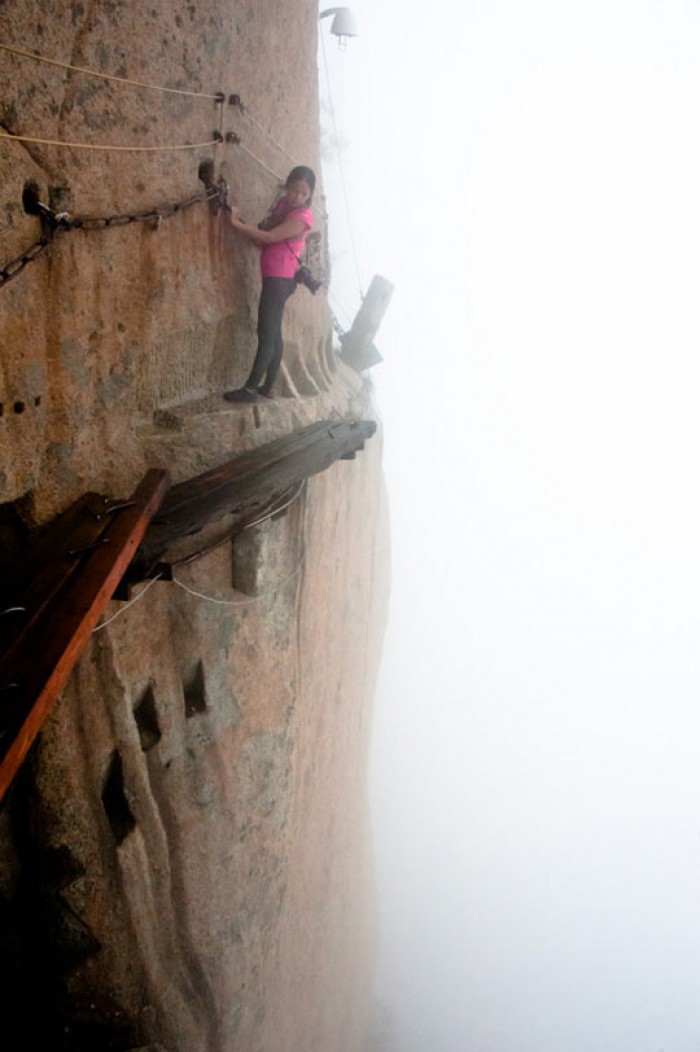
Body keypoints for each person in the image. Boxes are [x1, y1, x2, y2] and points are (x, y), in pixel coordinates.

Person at [224, 165, 316, 402]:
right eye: (294, 190)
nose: (297, 196)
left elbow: (270, 237)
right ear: (287, 186)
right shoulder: (285, 206)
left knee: (266, 333)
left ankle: (251, 389)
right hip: (276, 275)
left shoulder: (301, 217)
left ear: (309, 195)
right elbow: (267, 230)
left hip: (280, 279)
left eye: (303, 193)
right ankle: (269, 386)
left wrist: (235, 223)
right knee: (274, 334)